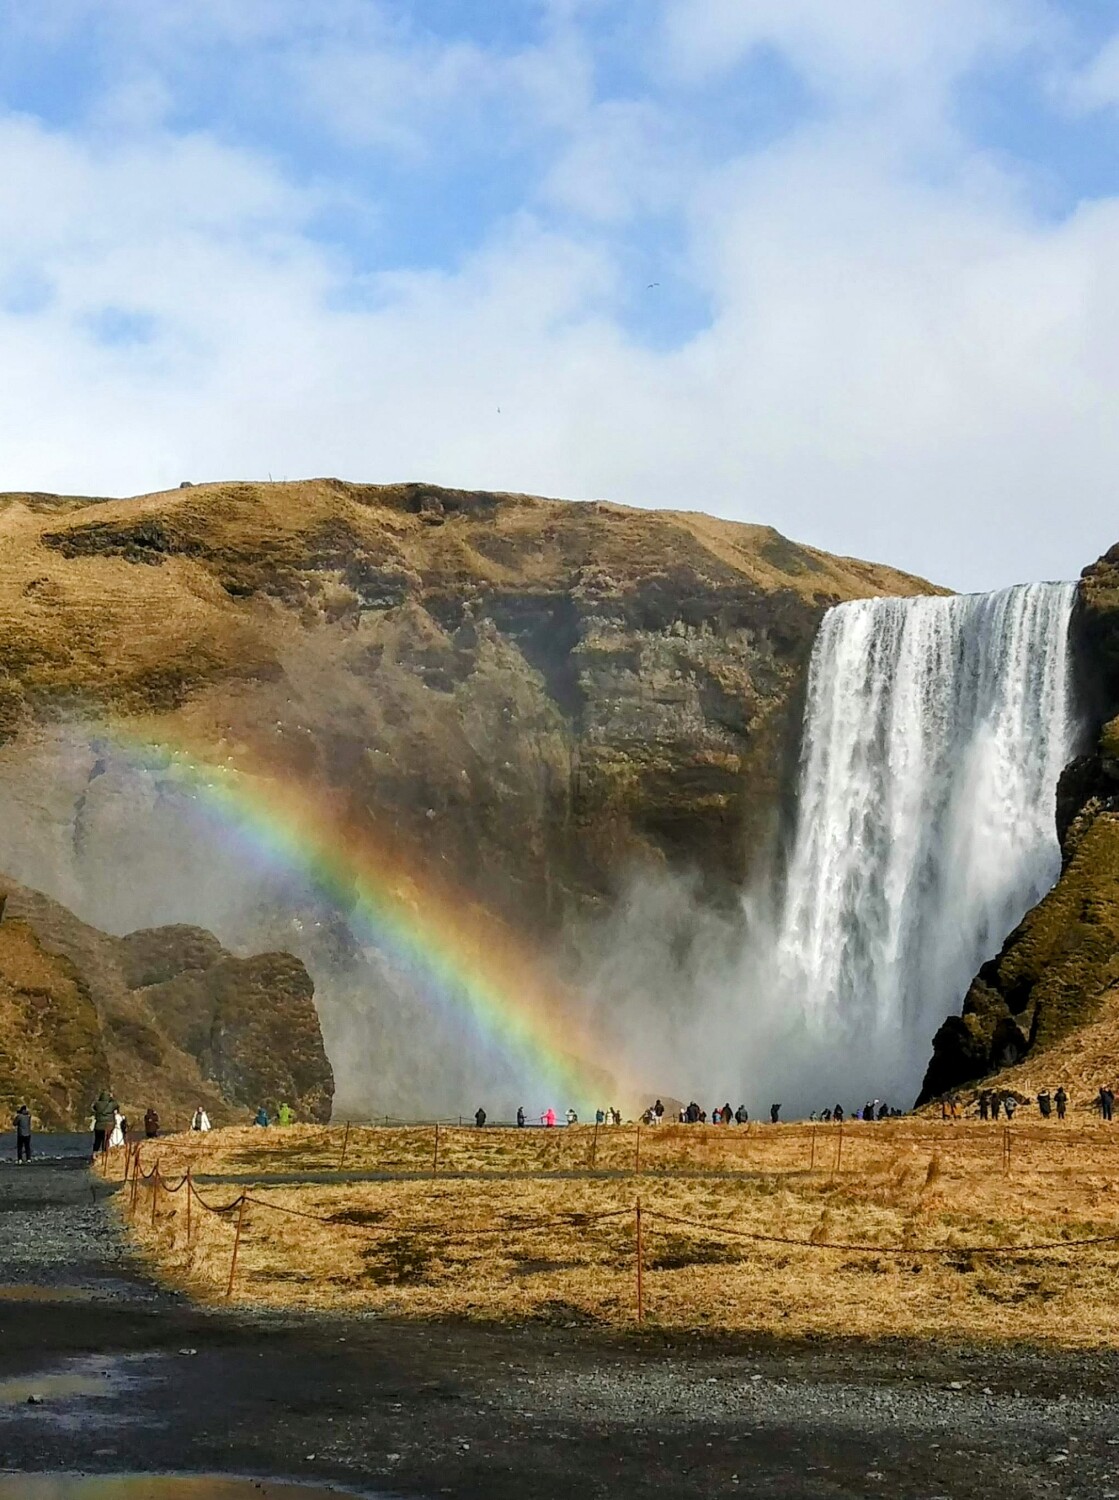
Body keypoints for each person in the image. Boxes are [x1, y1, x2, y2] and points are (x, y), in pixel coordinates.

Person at [90, 1090, 119, 1159]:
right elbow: (117, 1105)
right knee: (106, 1140)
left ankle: (95, 1153)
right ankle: (104, 1153)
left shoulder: (97, 1104)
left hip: (99, 1126)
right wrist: (112, 1098)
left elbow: (93, 1107)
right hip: (109, 1125)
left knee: (97, 1139)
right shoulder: (112, 1104)